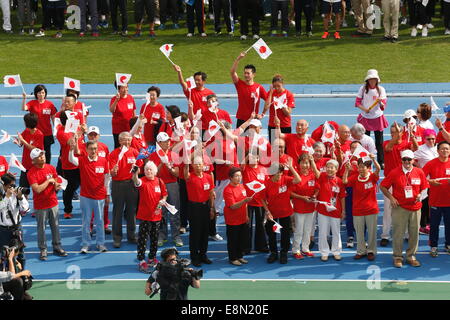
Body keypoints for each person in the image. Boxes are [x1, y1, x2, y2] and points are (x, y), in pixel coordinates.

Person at [380, 149, 429, 268]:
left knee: (414, 234)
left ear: (413, 160)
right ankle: (397, 257)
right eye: (404, 159)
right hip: (400, 208)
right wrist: (391, 198)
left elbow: (425, 188)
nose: (407, 161)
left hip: (415, 208)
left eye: (409, 159)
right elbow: (383, 186)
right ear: (401, 160)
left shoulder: (419, 172)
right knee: (398, 233)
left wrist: (420, 196)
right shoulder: (394, 172)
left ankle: (411, 255)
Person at [69, 140, 110, 253]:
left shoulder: (103, 161)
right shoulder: (82, 160)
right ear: (86, 150)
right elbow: (71, 160)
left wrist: (107, 193)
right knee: (86, 222)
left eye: (95, 148)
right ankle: (86, 244)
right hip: (86, 196)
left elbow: (107, 178)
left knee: (100, 221)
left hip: (100, 196)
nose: (93, 151)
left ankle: (100, 244)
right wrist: (71, 149)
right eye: (91, 148)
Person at [380, 122, 417, 246]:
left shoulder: (406, 144)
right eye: (391, 132)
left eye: (395, 131)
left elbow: (416, 148)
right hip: (390, 182)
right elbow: (389, 148)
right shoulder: (386, 143)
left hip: (404, 181)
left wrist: (411, 135)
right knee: (387, 209)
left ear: (401, 132)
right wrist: (397, 136)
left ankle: (406, 233)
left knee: (405, 207)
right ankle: (385, 235)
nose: (392, 134)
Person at [27, 148, 68, 261]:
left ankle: (57, 246)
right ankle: (43, 249)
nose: (42, 157)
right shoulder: (31, 173)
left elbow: (55, 182)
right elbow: (37, 189)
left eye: (43, 155)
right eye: (39, 156)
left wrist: (57, 186)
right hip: (40, 206)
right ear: (33, 160)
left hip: (53, 202)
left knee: (55, 226)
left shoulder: (51, 167)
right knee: (42, 229)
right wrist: (48, 181)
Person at [261, 160, 301, 264]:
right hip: (272, 213)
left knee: (285, 234)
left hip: (285, 212)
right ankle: (274, 253)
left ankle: (283, 253)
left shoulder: (286, 179)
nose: (279, 174)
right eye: (277, 172)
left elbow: (298, 179)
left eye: (280, 172)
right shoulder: (267, 183)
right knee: (272, 234)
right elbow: (262, 199)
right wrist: (267, 211)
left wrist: (291, 167)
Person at [343, 155, 381, 261]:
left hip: (371, 209)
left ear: (368, 168)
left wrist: (373, 159)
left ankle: (371, 251)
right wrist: (346, 170)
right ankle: (361, 250)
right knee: (359, 232)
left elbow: (378, 169)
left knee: (372, 232)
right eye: (359, 167)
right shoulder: (355, 177)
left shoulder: (373, 176)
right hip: (358, 210)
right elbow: (345, 182)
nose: (360, 169)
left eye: (363, 166)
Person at [148, 132, 182, 247]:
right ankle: (161, 236)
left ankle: (176, 236)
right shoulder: (153, 156)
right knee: (160, 212)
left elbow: (177, 173)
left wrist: (170, 168)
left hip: (172, 184)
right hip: (158, 185)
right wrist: (162, 163)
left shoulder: (174, 155)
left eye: (168, 141)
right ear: (159, 143)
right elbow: (152, 174)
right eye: (165, 141)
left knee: (174, 211)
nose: (168, 143)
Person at [132, 161, 168, 272]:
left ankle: (152, 258)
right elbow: (136, 181)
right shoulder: (142, 181)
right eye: (147, 169)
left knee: (154, 239)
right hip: (145, 216)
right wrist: (135, 174)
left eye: (151, 169)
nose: (148, 171)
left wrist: (163, 200)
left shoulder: (159, 181)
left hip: (156, 216)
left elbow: (165, 194)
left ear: (155, 171)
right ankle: (142, 260)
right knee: (142, 239)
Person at [109, 132, 141, 248]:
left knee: (131, 211)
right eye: (124, 140)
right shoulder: (114, 154)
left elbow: (140, 167)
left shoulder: (135, 152)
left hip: (131, 184)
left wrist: (137, 171)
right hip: (118, 185)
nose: (126, 142)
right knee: (117, 211)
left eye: (128, 140)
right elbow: (112, 173)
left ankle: (131, 235)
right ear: (119, 141)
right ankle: (117, 238)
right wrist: (114, 171)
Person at [184, 155, 216, 267]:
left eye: (200, 164)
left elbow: (211, 193)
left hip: (206, 207)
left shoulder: (208, 177)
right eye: (196, 164)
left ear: (203, 165)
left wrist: (212, 208)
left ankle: (203, 254)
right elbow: (185, 173)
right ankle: (194, 256)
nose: (198, 166)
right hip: (194, 208)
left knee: (205, 232)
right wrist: (187, 162)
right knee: (195, 233)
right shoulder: (190, 176)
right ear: (193, 165)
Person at [355, 69, 388, 166]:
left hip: (377, 117)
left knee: (379, 142)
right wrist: (364, 109)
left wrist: (380, 102)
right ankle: (366, 160)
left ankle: (381, 161)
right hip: (366, 117)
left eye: (374, 79)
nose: (372, 81)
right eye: (371, 79)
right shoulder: (362, 89)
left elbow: (383, 107)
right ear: (368, 80)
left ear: (377, 80)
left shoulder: (381, 90)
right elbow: (357, 103)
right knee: (365, 140)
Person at [422, 141, 450, 257]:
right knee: (434, 225)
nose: (445, 151)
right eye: (442, 149)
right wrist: (430, 182)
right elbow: (421, 177)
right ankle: (433, 246)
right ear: (437, 150)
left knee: (449, 225)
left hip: (449, 202)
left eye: (447, 149)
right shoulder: (431, 164)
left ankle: (448, 245)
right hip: (435, 201)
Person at [56, 111, 85, 219]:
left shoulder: (75, 128)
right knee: (70, 188)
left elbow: (82, 142)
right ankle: (68, 210)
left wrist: (82, 130)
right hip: (69, 165)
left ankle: (87, 209)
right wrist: (79, 132)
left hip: (82, 161)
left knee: (85, 186)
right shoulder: (61, 132)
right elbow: (71, 143)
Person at [316, 159, 346, 261]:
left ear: (336, 169)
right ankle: (324, 252)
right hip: (323, 210)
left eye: (332, 167)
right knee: (323, 232)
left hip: (335, 210)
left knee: (336, 231)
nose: (329, 169)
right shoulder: (322, 177)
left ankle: (336, 251)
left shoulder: (340, 181)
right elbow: (316, 173)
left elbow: (342, 197)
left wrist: (343, 211)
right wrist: (312, 161)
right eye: (327, 167)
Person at [290, 153, 319, 259]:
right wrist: (302, 198)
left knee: (308, 229)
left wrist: (314, 196)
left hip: (310, 207)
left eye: (307, 163)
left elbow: (317, 188)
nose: (305, 165)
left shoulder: (312, 175)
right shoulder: (296, 176)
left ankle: (305, 248)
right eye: (303, 163)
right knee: (299, 229)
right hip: (299, 208)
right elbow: (290, 193)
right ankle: (296, 249)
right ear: (299, 164)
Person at [242, 152, 269, 253]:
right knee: (247, 225)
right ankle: (246, 247)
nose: (254, 159)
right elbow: (240, 165)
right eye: (251, 157)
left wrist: (267, 200)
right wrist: (247, 156)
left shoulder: (263, 169)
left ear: (258, 158)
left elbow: (267, 185)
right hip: (247, 202)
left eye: (256, 157)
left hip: (260, 202)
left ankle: (261, 246)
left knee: (260, 225)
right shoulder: (245, 168)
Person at [22, 85, 57, 164]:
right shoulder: (32, 103)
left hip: (47, 133)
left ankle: (46, 167)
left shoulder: (50, 104)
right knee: (35, 152)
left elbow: (53, 118)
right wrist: (24, 98)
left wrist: (56, 130)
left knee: (47, 152)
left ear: (45, 93)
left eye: (43, 92)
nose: (41, 94)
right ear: (36, 94)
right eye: (39, 93)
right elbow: (24, 108)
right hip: (35, 133)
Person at [230, 53, 268, 128]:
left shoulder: (258, 87)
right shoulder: (239, 84)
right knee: (240, 140)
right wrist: (238, 59)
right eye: (245, 73)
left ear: (254, 74)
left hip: (254, 120)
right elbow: (232, 72)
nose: (246, 75)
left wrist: (262, 114)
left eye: (248, 73)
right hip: (241, 119)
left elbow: (268, 101)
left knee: (253, 140)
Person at [0, 173, 29, 267]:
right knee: (3, 254)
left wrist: (20, 197)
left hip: (16, 228)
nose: (13, 187)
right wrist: (7, 197)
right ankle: (3, 277)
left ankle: (22, 276)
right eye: (11, 185)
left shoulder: (16, 194)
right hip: (3, 230)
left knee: (20, 253)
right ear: (4, 185)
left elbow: (26, 209)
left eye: (14, 185)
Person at [223, 167, 251, 265]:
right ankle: (233, 258)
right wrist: (244, 201)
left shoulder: (242, 186)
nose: (239, 178)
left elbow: (245, 204)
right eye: (236, 176)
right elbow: (233, 206)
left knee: (241, 239)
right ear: (230, 178)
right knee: (233, 240)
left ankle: (240, 256)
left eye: (240, 175)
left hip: (242, 218)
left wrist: (246, 215)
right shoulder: (228, 190)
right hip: (232, 220)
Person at [173, 65, 215, 129]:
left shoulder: (210, 93)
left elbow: (214, 108)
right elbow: (182, 83)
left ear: (203, 81)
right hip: (193, 122)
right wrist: (179, 72)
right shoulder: (190, 92)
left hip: (206, 122)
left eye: (198, 80)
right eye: (195, 80)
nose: (196, 82)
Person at [414, 129, 438, 235]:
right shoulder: (420, 149)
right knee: (425, 203)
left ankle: (429, 223)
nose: (431, 141)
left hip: (437, 181)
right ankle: (423, 225)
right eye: (428, 139)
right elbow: (410, 158)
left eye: (433, 139)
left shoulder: (438, 148)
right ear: (424, 139)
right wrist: (419, 167)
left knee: (434, 202)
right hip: (425, 181)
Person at [13, 113, 44, 190]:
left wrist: (22, 140)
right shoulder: (26, 131)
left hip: (35, 166)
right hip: (25, 165)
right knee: (22, 189)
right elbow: (21, 144)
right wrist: (18, 142)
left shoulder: (39, 134)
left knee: (37, 189)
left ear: (27, 123)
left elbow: (34, 149)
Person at [261, 75, 295, 143]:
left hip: (285, 125)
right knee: (274, 149)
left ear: (283, 84)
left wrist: (281, 103)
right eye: (274, 86)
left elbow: (288, 113)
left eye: (278, 86)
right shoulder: (271, 93)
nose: (276, 88)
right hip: (273, 125)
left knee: (285, 148)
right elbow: (266, 107)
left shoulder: (289, 94)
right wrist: (270, 92)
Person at [110, 82, 136, 149]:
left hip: (129, 129)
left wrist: (135, 125)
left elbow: (133, 112)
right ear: (118, 89)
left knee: (130, 147)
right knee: (118, 148)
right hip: (118, 129)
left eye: (126, 87)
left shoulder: (130, 98)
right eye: (123, 88)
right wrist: (116, 100)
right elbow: (112, 110)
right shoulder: (114, 99)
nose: (125, 89)